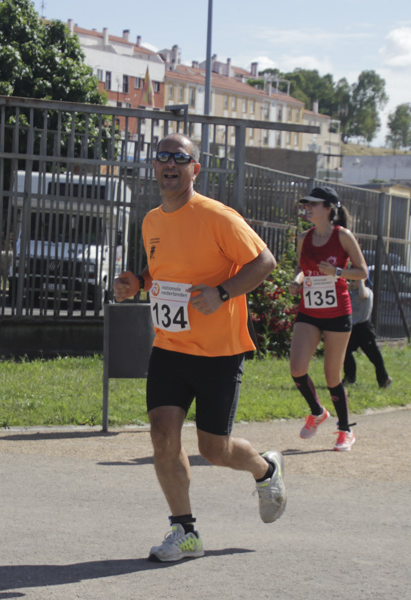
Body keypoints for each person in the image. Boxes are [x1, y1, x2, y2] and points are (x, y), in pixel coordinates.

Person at [112, 133, 286, 563]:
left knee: (214, 449)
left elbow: (265, 262)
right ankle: (185, 531)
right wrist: (138, 283)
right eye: (162, 157)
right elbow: (164, 279)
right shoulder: (151, 220)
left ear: (195, 168)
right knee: (162, 437)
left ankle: (266, 469)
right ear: (154, 166)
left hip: (218, 352)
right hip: (171, 348)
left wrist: (224, 292)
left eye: (179, 158)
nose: (169, 164)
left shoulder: (216, 216)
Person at [286, 186, 368, 452]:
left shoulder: (342, 236)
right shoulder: (304, 237)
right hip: (309, 310)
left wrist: (338, 271)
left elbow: (362, 271)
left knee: (332, 375)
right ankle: (317, 411)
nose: (307, 207)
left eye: (313, 204)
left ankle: (345, 430)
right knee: (297, 368)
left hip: (337, 312)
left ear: (329, 208)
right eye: (306, 204)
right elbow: (301, 268)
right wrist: (296, 281)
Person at [343, 278, 392, 389]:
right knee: (345, 352)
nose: (351, 283)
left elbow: (362, 295)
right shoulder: (351, 293)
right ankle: (350, 378)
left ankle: (384, 379)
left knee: (374, 357)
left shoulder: (367, 291)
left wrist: (360, 279)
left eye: (353, 281)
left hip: (364, 328)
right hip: (353, 328)